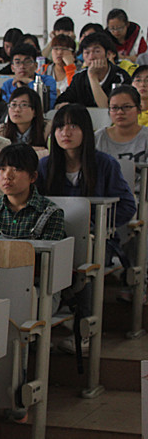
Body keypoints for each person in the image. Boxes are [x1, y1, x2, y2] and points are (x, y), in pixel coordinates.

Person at [37, 104, 137, 349]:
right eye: (60, 127)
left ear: (86, 131)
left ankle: (83, 331)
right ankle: (41, 329)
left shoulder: (105, 164)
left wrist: (96, 226)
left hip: (97, 240)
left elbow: (126, 206)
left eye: (73, 126)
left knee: (85, 259)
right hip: (56, 239)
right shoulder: (45, 166)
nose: (65, 132)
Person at [0, 143, 66, 240]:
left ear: (33, 177)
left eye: (16, 169)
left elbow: (49, 249)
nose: (7, 176)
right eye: (2, 169)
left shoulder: (51, 213)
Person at [56, 32, 132, 108]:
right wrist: (61, 105)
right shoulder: (79, 78)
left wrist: (92, 76)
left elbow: (109, 109)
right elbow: (62, 101)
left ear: (108, 54)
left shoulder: (120, 76)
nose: (91, 57)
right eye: (87, 52)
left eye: (96, 51)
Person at [95, 86, 148, 163]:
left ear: (139, 109)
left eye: (126, 107)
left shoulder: (146, 136)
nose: (120, 112)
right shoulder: (98, 138)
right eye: (114, 108)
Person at [0, 43, 57, 110]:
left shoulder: (48, 81)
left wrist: (32, 83)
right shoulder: (7, 85)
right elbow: (6, 107)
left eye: (27, 62)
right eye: (17, 62)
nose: (22, 66)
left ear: (35, 65)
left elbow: (47, 105)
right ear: (12, 68)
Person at [0, 87, 49, 156]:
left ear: (35, 111)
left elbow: (50, 154)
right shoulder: (3, 131)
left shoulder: (47, 130)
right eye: (13, 105)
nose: (17, 110)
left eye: (24, 105)